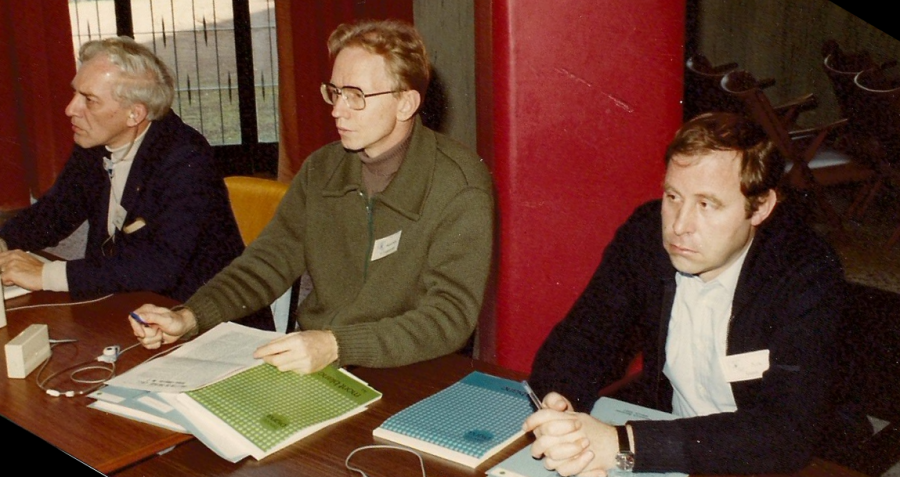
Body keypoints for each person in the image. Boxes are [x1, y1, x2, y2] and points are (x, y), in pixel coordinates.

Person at [129, 19, 494, 375]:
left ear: (405, 104)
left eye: (356, 96)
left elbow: (449, 316)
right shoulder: (322, 169)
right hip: (321, 359)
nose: (337, 110)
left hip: (412, 370)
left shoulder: (459, 184)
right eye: (334, 92)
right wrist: (190, 316)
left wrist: (336, 344)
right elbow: (267, 262)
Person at [523, 112, 869, 476]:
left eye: (707, 204)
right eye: (673, 196)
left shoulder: (804, 271)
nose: (679, 226)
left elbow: (783, 431)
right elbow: (584, 338)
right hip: (680, 447)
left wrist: (621, 446)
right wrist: (562, 414)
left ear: (761, 207)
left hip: (798, 462)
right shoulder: (645, 236)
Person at [0, 36, 252, 308]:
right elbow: (55, 213)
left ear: (135, 114)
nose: (70, 109)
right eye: (75, 93)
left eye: (89, 100)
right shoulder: (97, 142)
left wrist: (45, 274)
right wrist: (3, 241)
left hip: (195, 313)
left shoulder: (185, 158)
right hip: (126, 301)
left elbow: (158, 267)